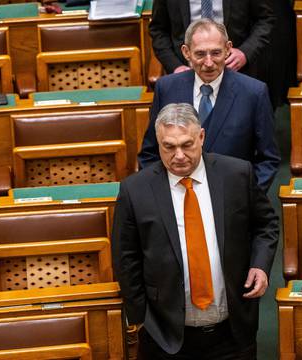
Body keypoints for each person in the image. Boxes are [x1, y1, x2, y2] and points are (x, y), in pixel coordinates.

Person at [113, 103, 279, 359]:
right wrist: (141, 316)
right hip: (165, 336)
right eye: (169, 146)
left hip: (233, 332)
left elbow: (265, 224)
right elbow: (126, 257)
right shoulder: (135, 190)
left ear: (201, 136)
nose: (179, 155)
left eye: (187, 144)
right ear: (157, 142)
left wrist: (260, 264)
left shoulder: (236, 174)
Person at [139, 19, 280, 190]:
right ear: (186, 52)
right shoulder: (167, 88)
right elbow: (149, 153)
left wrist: (246, 197)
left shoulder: (254, 93)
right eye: (200, 54)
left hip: (232, 199)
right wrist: (164, 195)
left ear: (228, 49)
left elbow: (268, 159)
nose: (208, 63)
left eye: (216, 53)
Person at [148, 0, 274, 76]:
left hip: (236, 72)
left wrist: (245, 52)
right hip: (187, 73)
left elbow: (265, 19)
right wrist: (175, 66)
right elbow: (158, 30)